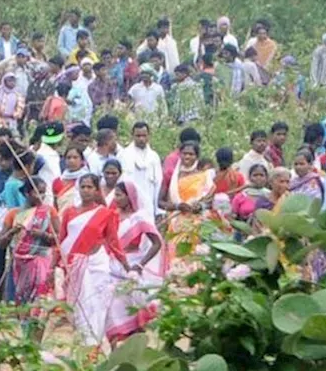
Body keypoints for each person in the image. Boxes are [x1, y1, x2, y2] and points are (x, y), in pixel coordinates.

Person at [56, 173, 132, 347]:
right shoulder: (69, 213)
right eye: (82, 187)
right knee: (77, 309)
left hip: (96, 266)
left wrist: (128, 267)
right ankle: (82, 345)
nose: (86, 190)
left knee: (95, 306)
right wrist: (54, 265)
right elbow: (61, 241)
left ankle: (91, 347)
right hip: (74, 267)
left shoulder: (105, 214)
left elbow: (114, 243)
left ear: (97, 190)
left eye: (90, 187)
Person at [105, 182, 164, 343]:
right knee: (112, 310)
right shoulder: (111, 216)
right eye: (115, 194)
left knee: (133, 311)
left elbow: (157, 243)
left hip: (131, 267)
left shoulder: (139, 218)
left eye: (119, 195)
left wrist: (140, 265)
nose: (116, 198)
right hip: (112, 267)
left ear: (129, 196)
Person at [4, 178, 61, 306]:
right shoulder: (14, 214)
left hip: (41, 261)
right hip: (19, 263)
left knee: (40, 298)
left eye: (43, 193)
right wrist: (12, 232)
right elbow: (1, 243)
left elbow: (59, 238)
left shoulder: (49, 212)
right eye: (37, 192)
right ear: (27, 193)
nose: (41, 196)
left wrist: (44, 235)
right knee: (17, 300)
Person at [160, 141, 217, 258]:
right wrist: (177, 207)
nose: (187, 156)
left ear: (197, 156)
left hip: (196, 224)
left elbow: (209, 200)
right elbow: (159, 202)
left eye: (191, 154)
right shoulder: (171, 176)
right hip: (175, 224)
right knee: (175, 259)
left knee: (194, 259)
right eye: (184, 153)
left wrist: (200, 206)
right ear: (180, 155)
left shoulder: (203, 176)